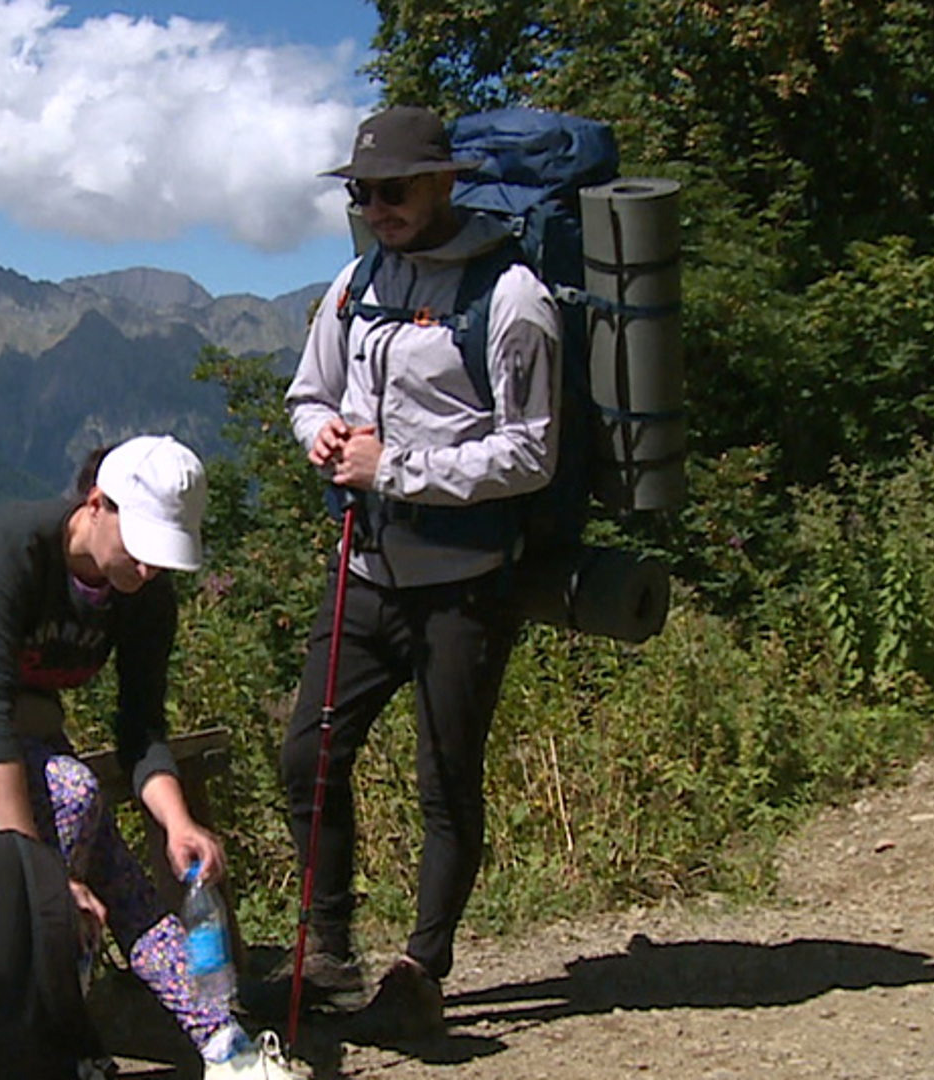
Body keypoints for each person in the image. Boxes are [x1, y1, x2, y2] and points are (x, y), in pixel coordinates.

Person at [0, 435, 301, 1080]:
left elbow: (141, 728)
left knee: (117, 868)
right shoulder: (8, 550)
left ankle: (223, 1044)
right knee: (71, 792)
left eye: (164, 557)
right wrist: (44, 884)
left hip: (18, 733)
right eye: (142, 547)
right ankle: (43, 1021)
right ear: (97, 504)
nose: (148, 571)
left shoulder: (144, 595)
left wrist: (178, 824)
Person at [279, 105, 560, 1042]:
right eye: (363, 190)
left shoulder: (513, 298)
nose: (376, 205)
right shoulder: (355, 283)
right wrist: (315, 431)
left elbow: (532, 453)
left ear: (446, 182)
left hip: (466, 580)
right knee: (309, 751)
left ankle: (421, 971)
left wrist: (393, 469)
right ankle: (328, 950)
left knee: (446, 778)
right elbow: (309, 392)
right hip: (364, 564)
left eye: (393, 188)